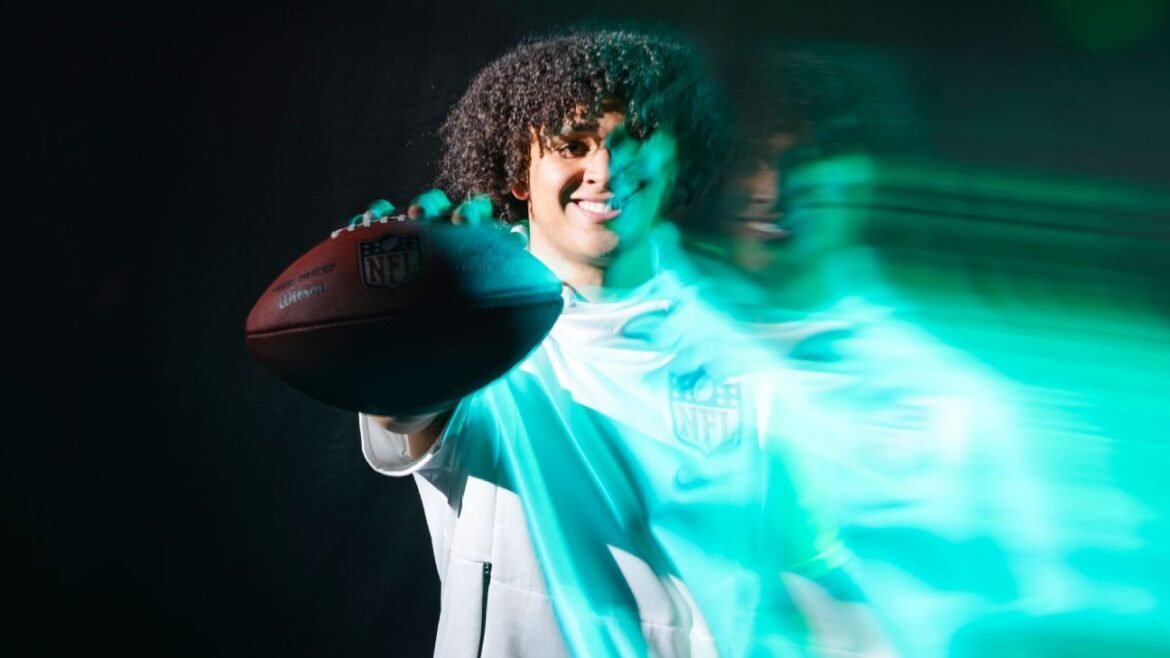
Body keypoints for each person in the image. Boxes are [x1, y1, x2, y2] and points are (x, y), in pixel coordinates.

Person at [359, 29, 895, 657]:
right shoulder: (471, 321)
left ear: (677, 155)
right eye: (573, 145)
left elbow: (809, 570)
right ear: (519, 173)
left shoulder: (745, 349)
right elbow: (403, 412)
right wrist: (393, 313)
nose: (606, 170)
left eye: (634, 136)